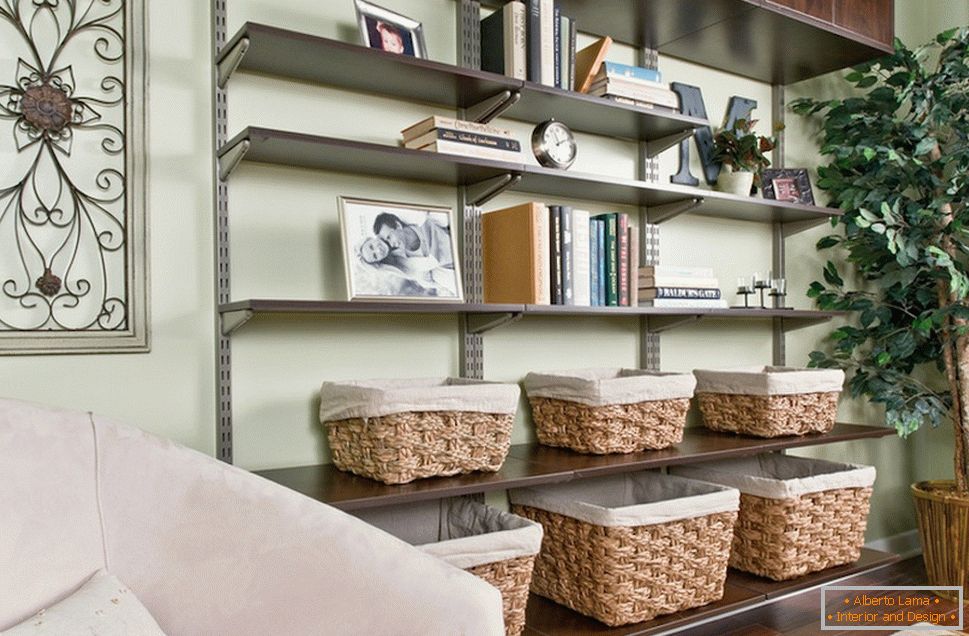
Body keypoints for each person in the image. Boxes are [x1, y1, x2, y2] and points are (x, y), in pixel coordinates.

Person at [372, 212, 454, 269]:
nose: (391, 244)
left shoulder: (423, 223)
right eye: (387, 242)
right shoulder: (408, 259)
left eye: (389, 237)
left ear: (398, 225)